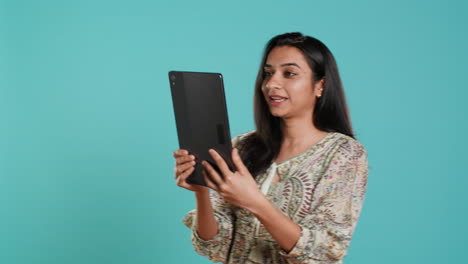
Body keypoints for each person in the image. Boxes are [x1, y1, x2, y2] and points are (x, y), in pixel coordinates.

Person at [172, 32, 369, 264]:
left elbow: (323, 254)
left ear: (320, 86)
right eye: (268, 73)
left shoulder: (344, 155)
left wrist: (255, 202)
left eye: (289, 73)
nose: (272, 84)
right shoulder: (241, 147)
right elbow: (213, 245)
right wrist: (202, 190)